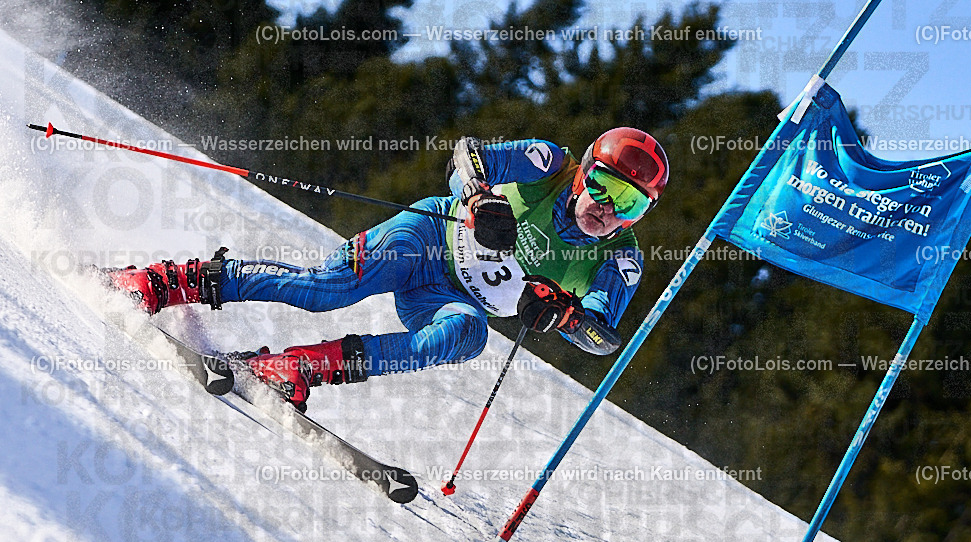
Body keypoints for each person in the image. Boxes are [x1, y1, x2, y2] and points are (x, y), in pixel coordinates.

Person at [105, 127, 669, 411]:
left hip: (453, 297)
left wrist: (566, 315)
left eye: (630, 203)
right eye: (602, 185)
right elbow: (467, 155)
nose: (607, 208)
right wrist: (479, 199)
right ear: (582, 173)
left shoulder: (620, 259)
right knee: (324, 291)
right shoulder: (547, 164)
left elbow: (601, 337)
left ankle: (295, 367)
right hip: (426, 240)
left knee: (465, 337)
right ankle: (167, 281)